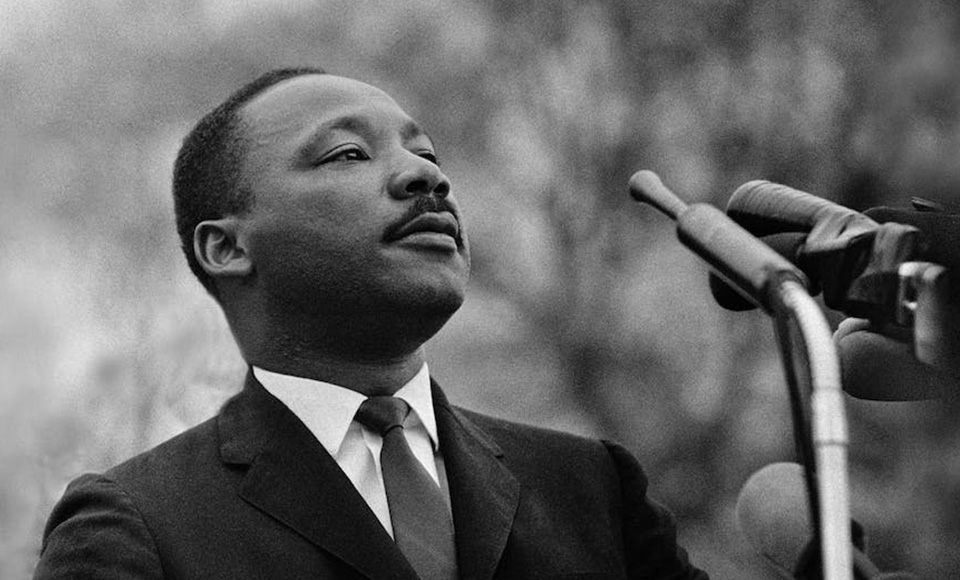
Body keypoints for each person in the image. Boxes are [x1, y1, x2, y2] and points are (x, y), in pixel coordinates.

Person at [33, 67, 708, 580]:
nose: (424, 177)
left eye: (430, 156)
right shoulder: (138, 524)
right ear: (228, 247)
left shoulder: (590, 487)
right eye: (349, 154)